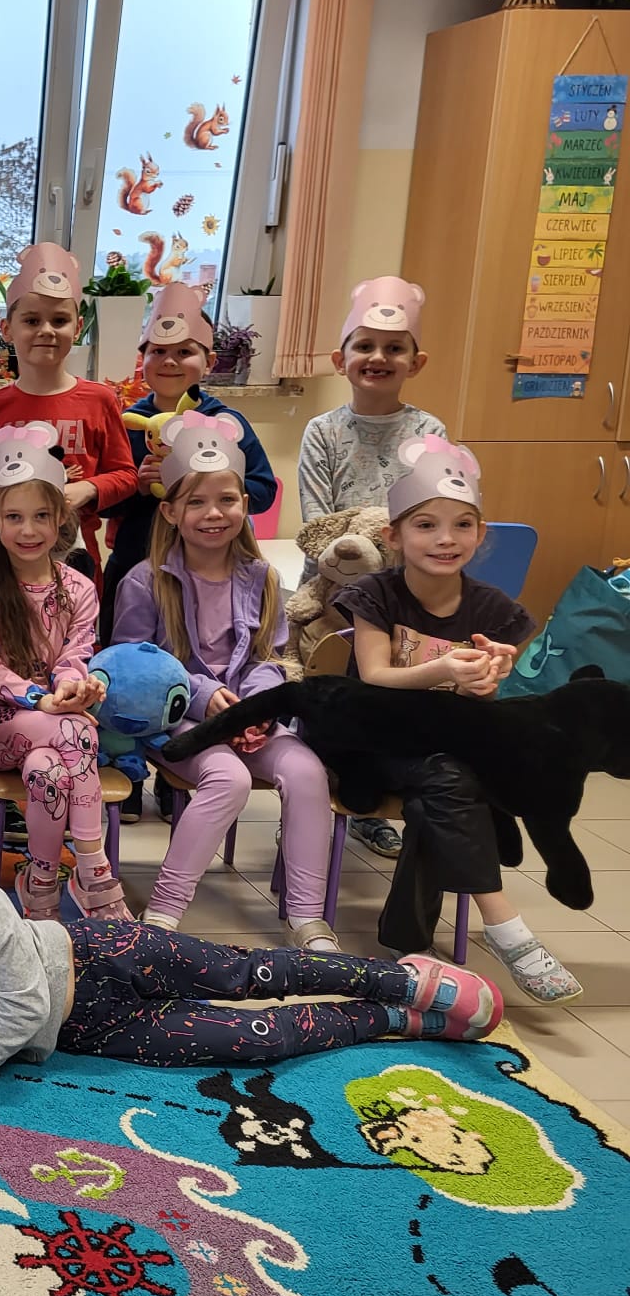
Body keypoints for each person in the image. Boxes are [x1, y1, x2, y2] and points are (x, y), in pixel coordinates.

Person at [0, 782, 502, 1093]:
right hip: (88, 1028)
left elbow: (23, 996)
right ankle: (389, 1018)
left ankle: (400, 979)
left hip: (100, 952)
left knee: (249, 975)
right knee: (252, 1041)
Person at [335, 439, 576, 1003]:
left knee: (439, 790)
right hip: (370, 742)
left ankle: (410, 947)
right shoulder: (374, 594)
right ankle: (505, 925)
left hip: (443, 748)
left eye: (462, 525)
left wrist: (489, 677)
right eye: (426, 525)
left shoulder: (493, 608)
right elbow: (374, 676)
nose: (446, 539)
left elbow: (487, 698)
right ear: (394, 536)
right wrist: (442, 668)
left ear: (480, 533)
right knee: (450, 777)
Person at [112, 414, 337, 949]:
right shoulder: (145, 581)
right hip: (175, 721)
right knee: (228, 778)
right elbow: (129, 666)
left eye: (227, 500)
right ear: (170, 510)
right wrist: (202, 694)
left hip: (249, 719)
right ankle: (163, 913)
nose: (214, 513)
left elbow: (270, 657)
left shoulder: (264, 578)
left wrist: (256, 708)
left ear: (245, 503)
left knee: (307, 771)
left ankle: (307, 916)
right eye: (197, 502)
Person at [297, 277, 450, 862]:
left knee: (388, 705)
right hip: (334, 591)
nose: (378, 357)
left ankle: (370, 804)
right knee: (330, 702)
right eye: (364, 345)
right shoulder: (323, 432)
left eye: (394, 347)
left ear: (417, 361)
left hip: (406, 595)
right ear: (341, 359)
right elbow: (318, 523)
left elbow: (434, 517)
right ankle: (308, 807)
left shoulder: (429, 432)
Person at [0, 425, 126, 920]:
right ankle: (95, 873)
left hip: (54, 727)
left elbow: (77, 652)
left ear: (60, 519)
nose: (28, 530)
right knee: (76, 731)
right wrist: (42, 700)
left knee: (47, 771)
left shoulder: (78, 587)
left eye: (41, 517)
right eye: (14, 517)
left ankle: (41, 884)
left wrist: (72, 688)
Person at [100, 283, 275, 637]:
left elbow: (263, 491)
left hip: (215, 573)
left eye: (184, 352)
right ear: (142, 359)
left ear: (209, 362)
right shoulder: (127, 424)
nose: (169, 361)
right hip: (137, 562)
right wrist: (137, 487)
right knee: (125, 649)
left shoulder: (227, 423)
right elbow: (103, 503)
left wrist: (218, 486)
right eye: (158, 351)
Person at [0, 243, 137, 578]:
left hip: (75, 555)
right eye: (31, 320)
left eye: (59, 320)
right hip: (3, 554)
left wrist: (87, 489)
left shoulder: (100, 399)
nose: (46, 330)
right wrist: (10, 500)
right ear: (7, 329)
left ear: (78, 327)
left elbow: (125, 475)